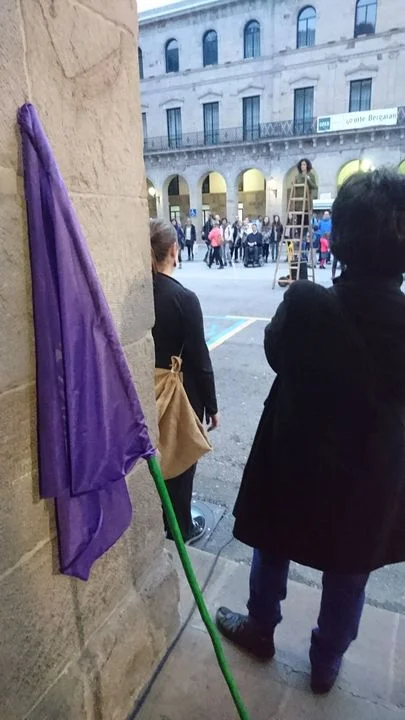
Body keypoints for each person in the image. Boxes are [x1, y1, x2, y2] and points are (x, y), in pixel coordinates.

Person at [216, 168, 405, 695]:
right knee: (350, 568)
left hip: (296, 456)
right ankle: (326, 662)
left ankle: (261, 627)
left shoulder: (306, 303)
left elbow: (277, 353)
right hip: (371, 471)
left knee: (272, 543)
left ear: (339, 237)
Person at [150, 219, 220, 543]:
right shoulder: (183, 298)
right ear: (173, 251)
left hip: (145, 388)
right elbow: (199, 358)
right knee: (181, 458)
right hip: (180, 391)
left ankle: (161, 517)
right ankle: (181, 528)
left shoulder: (138, 293)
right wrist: (212, 407)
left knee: (154, 454)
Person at [294, 158, 318, 239]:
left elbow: (314, 187)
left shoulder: (311, 175)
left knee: (306, 220)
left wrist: (308, 179)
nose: (302, 166)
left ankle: (303, 235)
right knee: (298, 220)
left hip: (307, 201)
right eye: (301, 164)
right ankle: (299, 236)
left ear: (307, 165)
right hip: (298, 202)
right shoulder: (297, 176)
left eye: (304, 164)